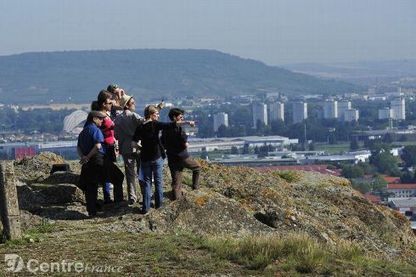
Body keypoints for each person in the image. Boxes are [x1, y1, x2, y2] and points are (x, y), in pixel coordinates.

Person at [132, 105, 194, 214]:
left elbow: (133, 143)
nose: (158, 115)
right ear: (151, 115)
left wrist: (141, 148)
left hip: (145, 158)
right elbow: (172, 124)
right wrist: (188, 122)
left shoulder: (140, 126)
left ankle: (145, 207)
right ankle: (159, 206)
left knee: (147, 183)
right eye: (156, 114)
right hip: (156, 157)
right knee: (158, 181)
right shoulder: (155, 124)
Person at [92, 90, 125, 204]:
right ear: (103, 104)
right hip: (105, 148)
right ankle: (117, 201)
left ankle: (108, 198)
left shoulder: (106, 115)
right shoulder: (101, 117)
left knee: (107, 174)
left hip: (109, 147)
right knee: (117, 176)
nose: (112, 105)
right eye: (109, 103)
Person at [161, 108, 200, 200]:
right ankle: (195, 188)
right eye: (181, 117)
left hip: (171, 157)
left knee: (176, 183)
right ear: (175, 117)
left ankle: (177, 200)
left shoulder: (165, 129)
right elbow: (185, 143)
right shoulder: (180, 129)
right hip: (182, 156)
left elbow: (162, 142)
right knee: (197, 167)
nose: (182, 119)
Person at [114, 95, 144, 205]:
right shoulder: (134, 116)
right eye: (133, 103)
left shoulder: (118, 119)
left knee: (130, 173)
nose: (134, 105)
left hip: (125, 147)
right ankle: (145, 194)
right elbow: (145, 124)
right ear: (127, 105)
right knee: (141, 171)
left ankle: (132, 196)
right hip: (138, 146)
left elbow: (116, 135)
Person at [77, 111, 107, 217]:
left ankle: (91, 210)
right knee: (95, 185)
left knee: (89, 187)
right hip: (95, 159)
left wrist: (83, 157)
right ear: (94, 119)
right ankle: (97, 209)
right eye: (100, 118)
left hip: (87, 161)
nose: (102, 120)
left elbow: (78, 147)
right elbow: (98, 146)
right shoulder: (96, 130)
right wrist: (89, 157)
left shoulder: (83, 131)